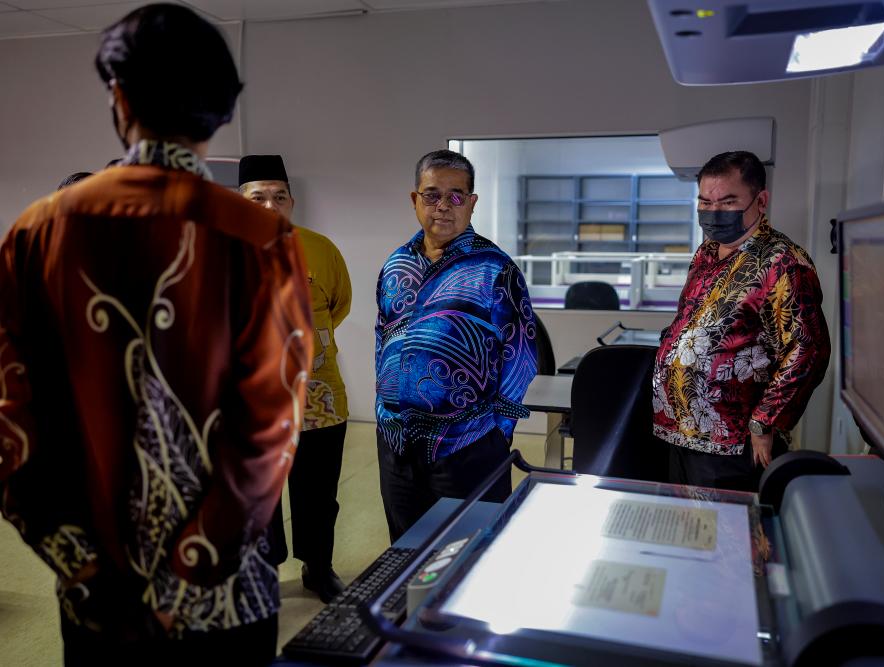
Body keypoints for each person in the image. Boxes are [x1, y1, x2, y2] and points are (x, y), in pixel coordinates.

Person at [0, 5, 312, 665]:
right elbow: (270, 428)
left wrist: (79, 564)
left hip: (97, 598)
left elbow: (12, 420)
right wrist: (188, 573)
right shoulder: (261, 237)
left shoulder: (37, 231)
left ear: (119, 98)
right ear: (221, 110)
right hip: (225, 598)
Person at [375, 150, 538, 542]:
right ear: (415, 200)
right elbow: (382, 342)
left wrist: (498, 433)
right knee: (404, 551)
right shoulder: (396, 265)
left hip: (467, 444)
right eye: (432, 195)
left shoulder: (495, 269)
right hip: (396, 443)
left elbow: (522, 356)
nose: (443, 207)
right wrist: (383, 412)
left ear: (471, 202)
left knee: (467, 555)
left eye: (456, 196)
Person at [652, 150, 830, 492]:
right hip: (680, 430)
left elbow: (808, 349)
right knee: (686, 534)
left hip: (733, 444)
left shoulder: (783, 263)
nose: (714, 212)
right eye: (705, 202)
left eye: (728, 202)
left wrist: (765, 422)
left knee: (727, 540)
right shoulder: (706, 253)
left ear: (760, 201)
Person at [239, 154, 352, 602]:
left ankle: (318, 567)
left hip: (319, 395)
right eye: (257, 197)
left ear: (292, 201)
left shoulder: (320, 249)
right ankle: (264, 572)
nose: (270, 206)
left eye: (279, 197)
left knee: (319, 492)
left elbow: (338, 305)